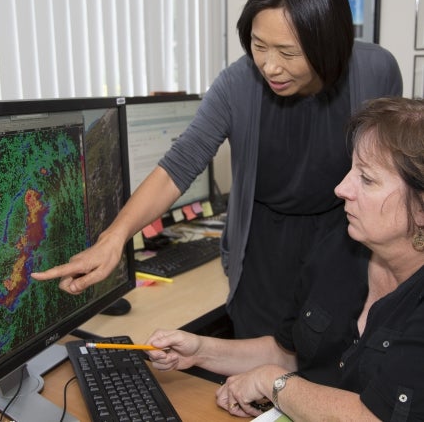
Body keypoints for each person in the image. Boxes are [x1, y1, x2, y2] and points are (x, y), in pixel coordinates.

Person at [31, 0, 403, 338]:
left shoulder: (375, 71)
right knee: (256, 377)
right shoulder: (236, 85)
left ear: (327, 43)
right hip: (262, 252)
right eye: (259, 45)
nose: (270, 66)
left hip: (343, 244)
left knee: (333, 372)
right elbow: (179, 165)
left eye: (288, 52)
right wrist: (115, 237)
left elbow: (393, 177)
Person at [145, 97, 424, 421]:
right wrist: (199, 350)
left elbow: (373, 417)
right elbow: (289, 352)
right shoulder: (341, 248)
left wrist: (272, 382)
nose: (341, 188)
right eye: (351, 170)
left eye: (367, 179)